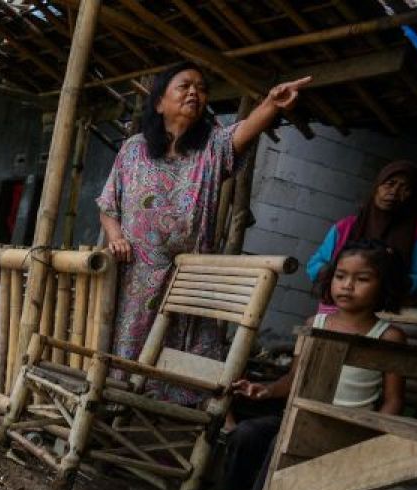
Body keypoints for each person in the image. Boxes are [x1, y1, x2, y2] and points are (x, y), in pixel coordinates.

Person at [180, 240, 407, 490]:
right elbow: (294, 380)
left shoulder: (387, 336)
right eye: (341, 276)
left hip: (345, 428)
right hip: (299, 417)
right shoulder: (316, 325)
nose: (348, 285)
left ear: (384, 285)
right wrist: (266, 390)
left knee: (280, 443)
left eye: (362, 278)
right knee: (248, 433)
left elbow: (393, 400)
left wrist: (371, 442)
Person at [97, 63, 311, 400]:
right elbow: (108, 205)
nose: (194, 92)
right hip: (136, 275)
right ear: (159, 103)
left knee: (188, 355)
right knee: (126, 354)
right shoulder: (134, 149)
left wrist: (271, 103)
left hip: (189, 275)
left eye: (201, 88)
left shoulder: (212, 147)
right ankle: (118, 413)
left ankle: (178, 424)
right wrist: (116, 237)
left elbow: (244, 131)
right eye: (184, 86)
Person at [306, 161, 417, 306]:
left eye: (405, 188)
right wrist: (338, 275)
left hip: (387, 309)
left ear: (412, 196)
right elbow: (315, 264)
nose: (394, 192)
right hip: (338, 306)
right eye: (390, 183)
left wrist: (390, 283)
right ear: (376, 187)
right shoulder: (346, 226)